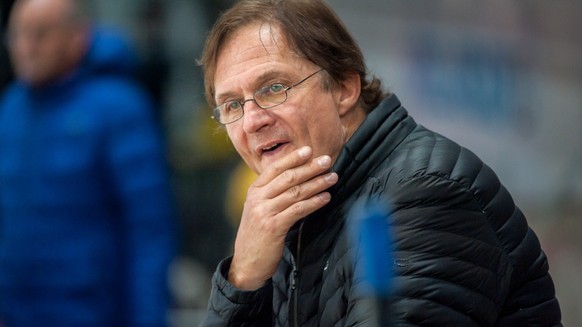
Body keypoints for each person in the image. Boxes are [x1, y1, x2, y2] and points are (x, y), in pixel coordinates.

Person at [197, 0, 563, 326]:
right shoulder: (291, 208)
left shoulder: (426, 193)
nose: (251, 121)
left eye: (273, 88)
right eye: (232, 105)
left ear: (343, 88)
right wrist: (243, 278)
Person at [0, 0, 176, 326]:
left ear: (77, 37)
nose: (26, 47)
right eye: (16, 35)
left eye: (39, 34)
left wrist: (148, 317)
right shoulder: (11, 107)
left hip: (92, 311)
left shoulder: (120, 107)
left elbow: (149, 228)